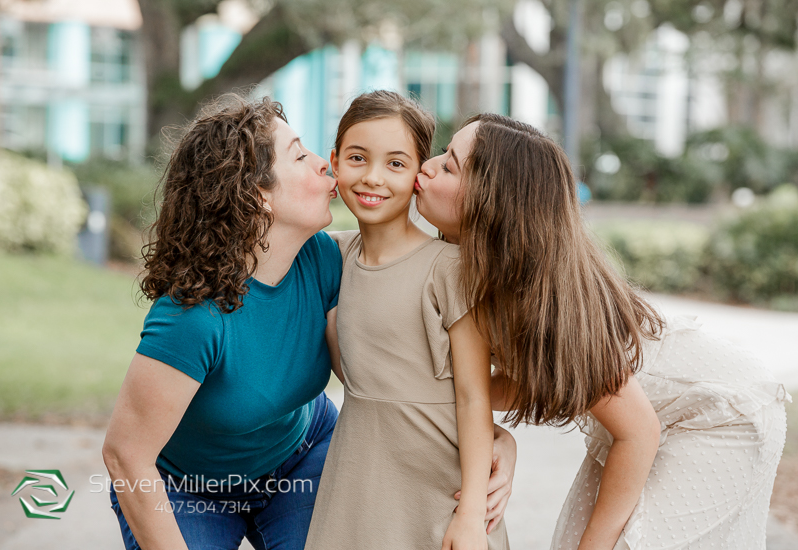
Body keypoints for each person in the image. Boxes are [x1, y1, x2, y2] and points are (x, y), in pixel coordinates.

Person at [101, 94, 517, 550]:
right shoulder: (192, 317)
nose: (325, 164)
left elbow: (396, 378)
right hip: (191, 486)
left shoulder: (325, 261)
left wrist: (495, 440)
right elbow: (125, 455)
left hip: (296, 460)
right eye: (300, 154)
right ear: (257, 194)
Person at [413, 113, 791, 550]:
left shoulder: (542, 300)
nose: (428, 164)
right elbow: (518, 382)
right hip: (646, 419)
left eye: (448, 165)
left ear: (492, 203)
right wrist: (495, 434)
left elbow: (638, 431)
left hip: (720, 414)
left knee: (613, 543)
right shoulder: (472, 270)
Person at [304, 90, 508, 550]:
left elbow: (473, 394)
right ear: (335, 162)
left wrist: (472, 512)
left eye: (396, 163)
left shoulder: (449, 268)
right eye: (357, 158)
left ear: (419, 173)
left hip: (438, 488)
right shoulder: (332, 256)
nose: (373, 177)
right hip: (356, 477)